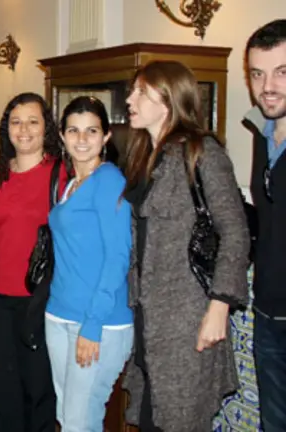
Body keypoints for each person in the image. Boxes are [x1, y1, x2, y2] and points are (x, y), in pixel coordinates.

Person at [121, 60, 249, 430]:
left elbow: (235, 231)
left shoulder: (202, 151)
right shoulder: (145, 152)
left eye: (140, 92)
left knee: (181, 418)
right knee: (151, 416)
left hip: (189, 318)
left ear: (168, 100)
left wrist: (220, 307)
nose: (130, 99)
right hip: (149, 316)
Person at [0, 92, 60, 431]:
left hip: (44, 300)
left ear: (45, 128)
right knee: (5, 387)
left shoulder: (60, 175)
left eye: (33, 121)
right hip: (0, 300)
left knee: (39, 388)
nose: (24, 130)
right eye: (16, 122)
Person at [45, 96, 133, 429]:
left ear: (106, 137)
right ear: (63, 137)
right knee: (69, 417)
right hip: (59, 314)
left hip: (99, 322)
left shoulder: (109, 180)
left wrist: (92, 323)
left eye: (92, 131)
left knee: (80, 420)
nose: (82, 139)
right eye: (74, 131)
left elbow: (117, 256)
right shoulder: (69, 184)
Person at [244, 19, 286, 430]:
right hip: (268, 314)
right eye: (258, 73)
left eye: (281, 71)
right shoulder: (262, 134)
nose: (268, 85)